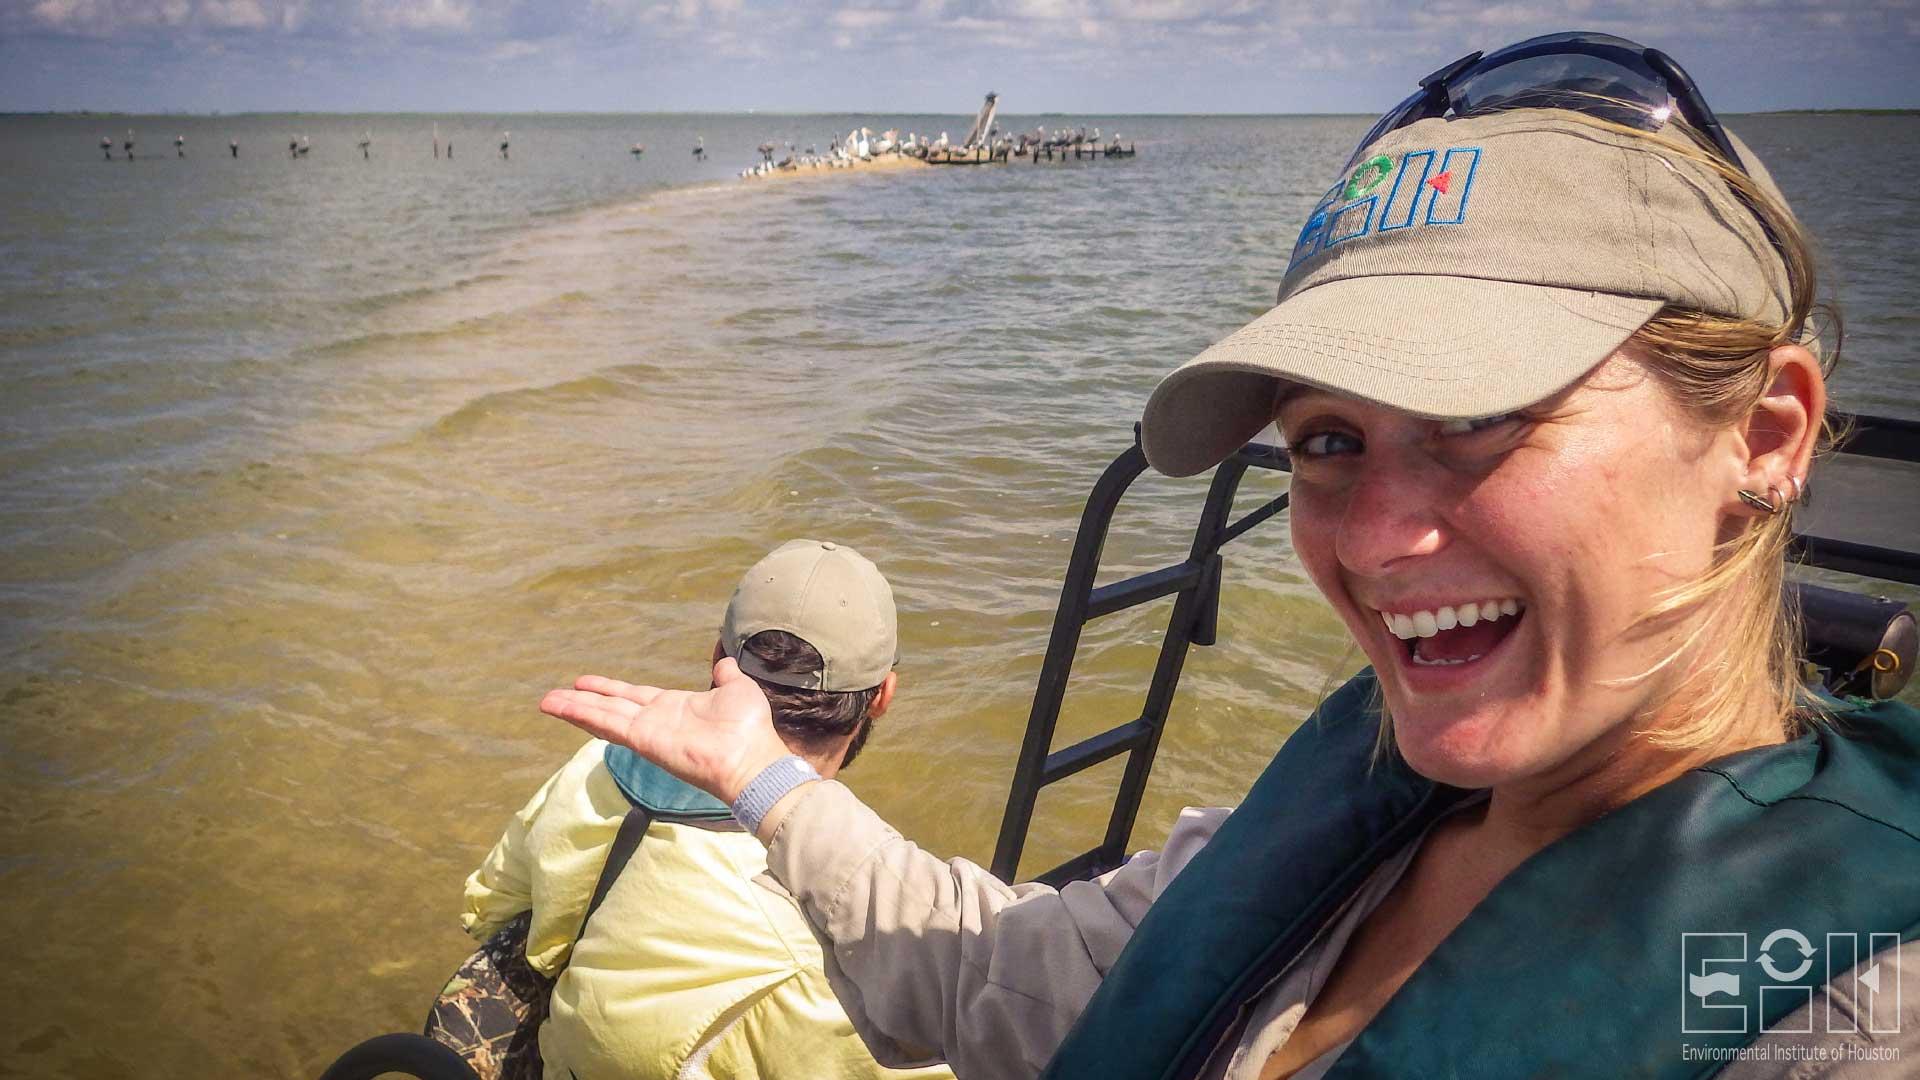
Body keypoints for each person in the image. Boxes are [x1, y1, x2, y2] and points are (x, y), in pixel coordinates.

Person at [541, 31, 1920, 1080]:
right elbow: (980, 980)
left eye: (1483, 416)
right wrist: (763, 777)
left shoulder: (1852, 1007)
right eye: (1327, 441)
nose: (1377, 538)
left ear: (1768, 433)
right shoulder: (1340, 814)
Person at [463, 539, 952, 1080]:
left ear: (717, 658)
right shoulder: (836, 949)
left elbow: (493, 906)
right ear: (883, 695)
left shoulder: (596, 761)